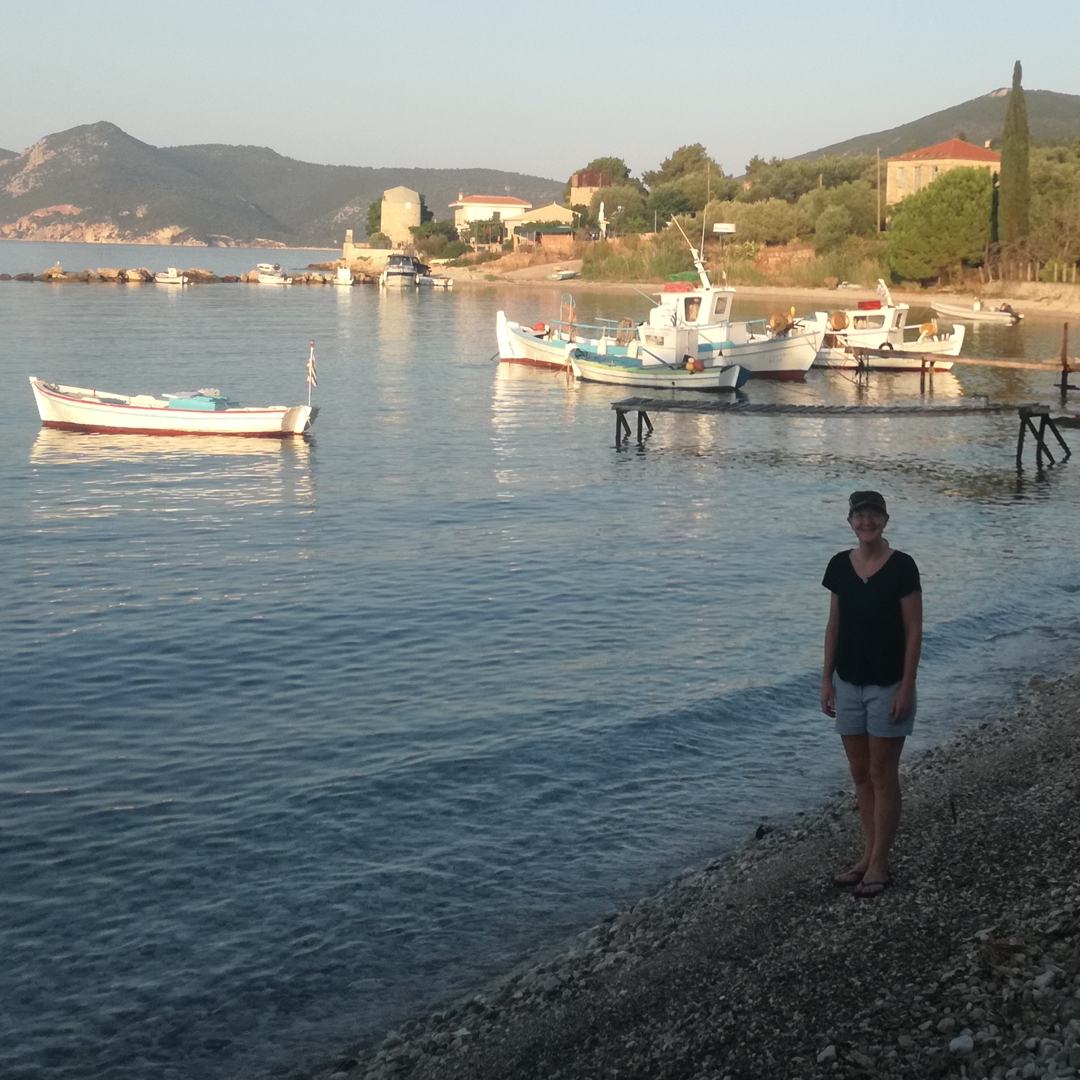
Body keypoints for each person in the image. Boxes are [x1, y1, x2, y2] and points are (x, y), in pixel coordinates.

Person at [820, 491, 922, 898]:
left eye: (874, 515)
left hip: (888, 685)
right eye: (860, 516)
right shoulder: (839, 566)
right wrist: (826, 680)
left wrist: (907, 686)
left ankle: (880, 864)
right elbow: (833, 626)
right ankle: (867, 856)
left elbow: (914, 629)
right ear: (850, 521)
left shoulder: (902, 566)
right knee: (860, 775)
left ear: (885, 519)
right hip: (847, 682)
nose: (867, 522)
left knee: (883, 774)